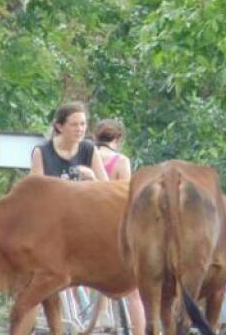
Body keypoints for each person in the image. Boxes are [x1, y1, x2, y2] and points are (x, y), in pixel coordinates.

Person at [93, 119, 146, 335]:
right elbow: (127, 196)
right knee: (132, 289)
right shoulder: (120, 161)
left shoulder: (88, 157)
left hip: (89, 225)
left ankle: (96, 319)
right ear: (119, 138)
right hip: (115, 226)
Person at [31, 102, 108, 181]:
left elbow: (106, 187)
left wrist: (92, 178)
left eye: (83, 124)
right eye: (74, 125)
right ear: (59, 127)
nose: (80, 129)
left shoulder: (89, 149)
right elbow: (36, 188)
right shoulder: (42, 151)